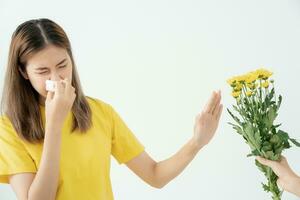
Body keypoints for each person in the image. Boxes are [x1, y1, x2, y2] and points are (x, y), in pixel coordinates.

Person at [0, 18, 223, 200]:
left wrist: (197, 142)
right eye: (42, 71)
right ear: (23, 72)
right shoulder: (9, 127)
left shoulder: (101, 113)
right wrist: (54, 125)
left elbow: (155, 175)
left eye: (62, 65)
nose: (56, 78)